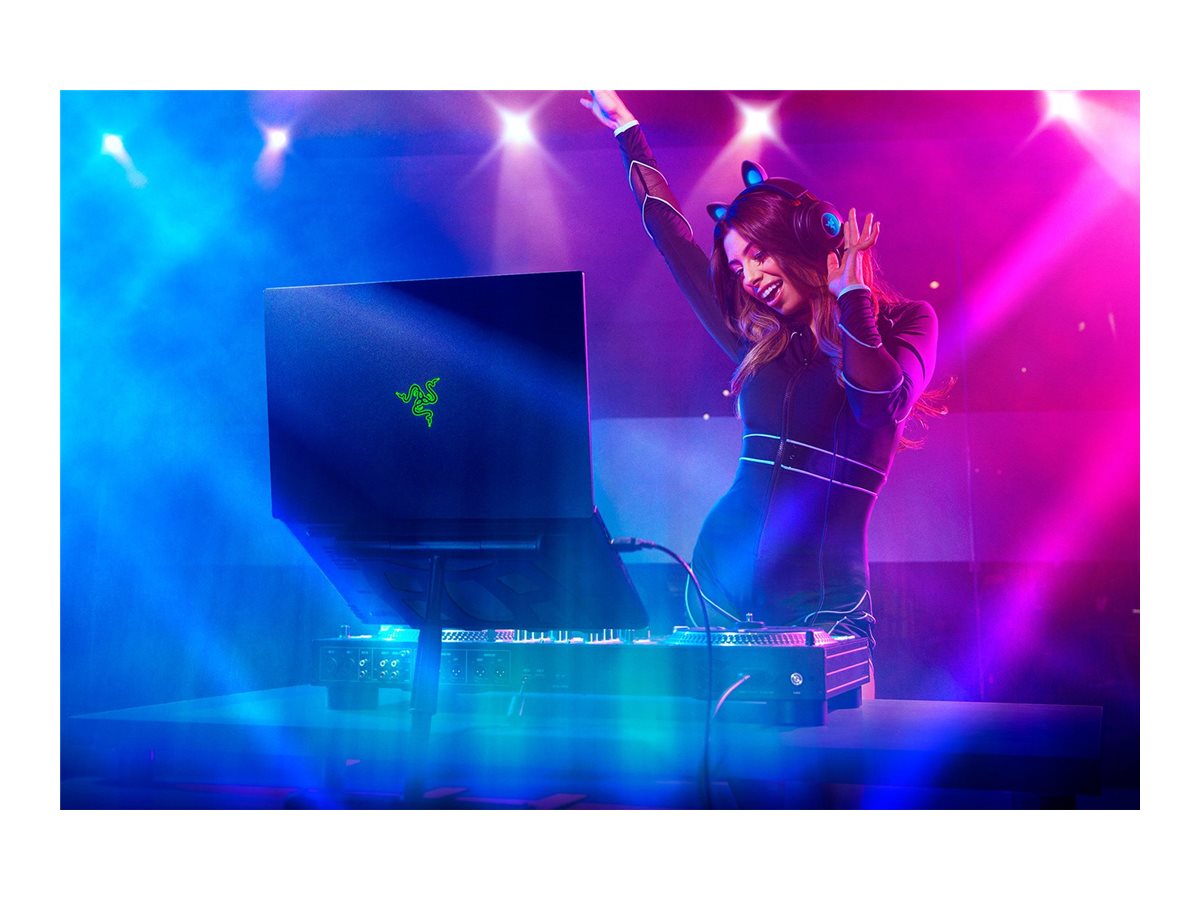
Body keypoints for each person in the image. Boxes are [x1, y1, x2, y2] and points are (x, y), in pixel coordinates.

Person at [581, 90, 939, 651]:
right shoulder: (757, 341)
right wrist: (627, 129)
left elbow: (876, 404)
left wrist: (851, 299)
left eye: (757, 254)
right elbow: (674, 241)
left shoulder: (907, 324)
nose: (748, 278)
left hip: (827, 609)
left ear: (797, 242)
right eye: (736, 266)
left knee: (826, 714)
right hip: (718, 588)